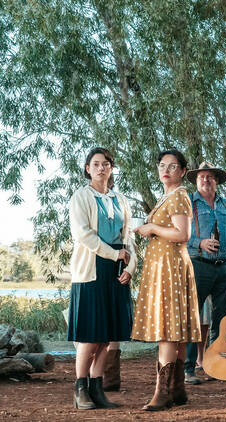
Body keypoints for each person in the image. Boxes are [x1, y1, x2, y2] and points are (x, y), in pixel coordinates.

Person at [132, 149, 201, 411]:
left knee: (168, 329)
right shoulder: (168, 196)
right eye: (162, 165)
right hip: (166, 267)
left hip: (171, 268)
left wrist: (151, 228)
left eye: (173, 166)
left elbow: (183, 233)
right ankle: (177, 389)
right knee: (176, 331)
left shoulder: (180, 194)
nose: (166, 170)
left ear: (183, 172)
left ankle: (162, 393)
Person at [68, 147, 136, 410]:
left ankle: (98, 390)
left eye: (106, 164)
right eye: (95, 164)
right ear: (87, 169)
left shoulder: (121, 199)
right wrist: (114, 253)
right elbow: (83, 235)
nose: (101, 168)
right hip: (90, 271)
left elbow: (128, 237)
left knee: (109, 336)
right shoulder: (80, 197)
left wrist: (131, 267)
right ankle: (80, 389)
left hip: (117, 271)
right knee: (90, 336)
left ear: (111, 168)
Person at [183, 162, 226, 385]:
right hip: (199, 265)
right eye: (202, 176)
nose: (205, 180)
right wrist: (199, 242)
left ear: (217, 181)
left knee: (221, 320)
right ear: (196, 180)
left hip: (223, 267)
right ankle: (188, 368)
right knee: (193, 317)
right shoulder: (188, 203)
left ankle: (214, 366)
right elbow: (180, 236)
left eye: (210, 177)